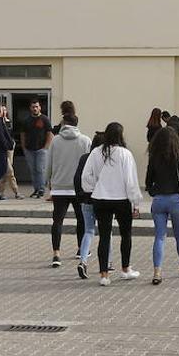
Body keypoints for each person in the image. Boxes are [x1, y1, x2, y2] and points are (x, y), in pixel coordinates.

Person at [81, 122, 144, 286]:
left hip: (100, 198)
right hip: (121, 199)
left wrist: (94, 187)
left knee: (104, 236)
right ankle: (125, 268)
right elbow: (131, 181)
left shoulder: (96, 152)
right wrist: (135, 202)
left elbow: (86, 176)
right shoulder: (125, 154)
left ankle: (104, 274)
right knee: (126, 234)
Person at [145, 125, 179, 285]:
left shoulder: (153, 158)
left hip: (159, 201)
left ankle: (157, 272)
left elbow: (148, 182)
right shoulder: (177, 157)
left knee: (159, 237)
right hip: (176, 200)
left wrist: (154, 192)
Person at [46, 114, 93, 267]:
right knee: (81, 219)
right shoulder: (85, 140)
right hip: (79, 188)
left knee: (57, 221)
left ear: (64, 123)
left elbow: (49, 163)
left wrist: (49, 181)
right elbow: (90, 164)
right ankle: (80, 248)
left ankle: (56, 254)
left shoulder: (55, 141)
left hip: (59, 187)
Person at [75, 132, 106, 279]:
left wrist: (79, 195)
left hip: (85, 199)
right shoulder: (104, 159)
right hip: (102, 199)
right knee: (107, 232)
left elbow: (77, 178)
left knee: (88, 230)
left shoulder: (83, 158)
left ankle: (83, 260)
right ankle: (109, 262)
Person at [22, 100, 55, 198]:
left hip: (41, 149)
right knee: (33, 170)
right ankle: (36, 189)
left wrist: (46, 147)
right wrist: (24, 147)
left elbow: (50, 133)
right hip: (29, 149)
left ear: (40, 107)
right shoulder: (26, 120)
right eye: (33, 107)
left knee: (40, 169)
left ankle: (41, 189)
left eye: (36, 106)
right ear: (30, 108)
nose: (35, 108)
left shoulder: (45, 119)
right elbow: (23, 134)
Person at [0, 104, 20, 200]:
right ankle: (16, 191)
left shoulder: (8, 122)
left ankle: (0, 192)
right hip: (2, 149)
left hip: (10, 149)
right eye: (2, 110)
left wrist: (13, 143)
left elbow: (10, 134)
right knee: (9, 171)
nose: (4, 112)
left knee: (6, 171)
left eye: (5, 110)